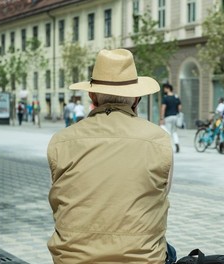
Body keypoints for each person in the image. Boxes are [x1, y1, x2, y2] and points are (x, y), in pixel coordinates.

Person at [47, 49, 176, 264]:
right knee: (168, 251)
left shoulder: (61, 141)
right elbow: (162, 192)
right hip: (142, 260)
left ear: (91, 95)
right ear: (136, 97)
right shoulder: (159, 140)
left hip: (72, 260)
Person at [160, 83, 182, 153]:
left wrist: (161, 118)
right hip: (175, 116)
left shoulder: (165, 98)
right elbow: (180, 107)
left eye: (165, 88)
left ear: (168, 88)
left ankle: (168, 147)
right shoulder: (176, 97)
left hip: (168, 117)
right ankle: (176, 143)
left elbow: (163, 108)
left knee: (168, 132)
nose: (164, 90)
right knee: (174, 132)